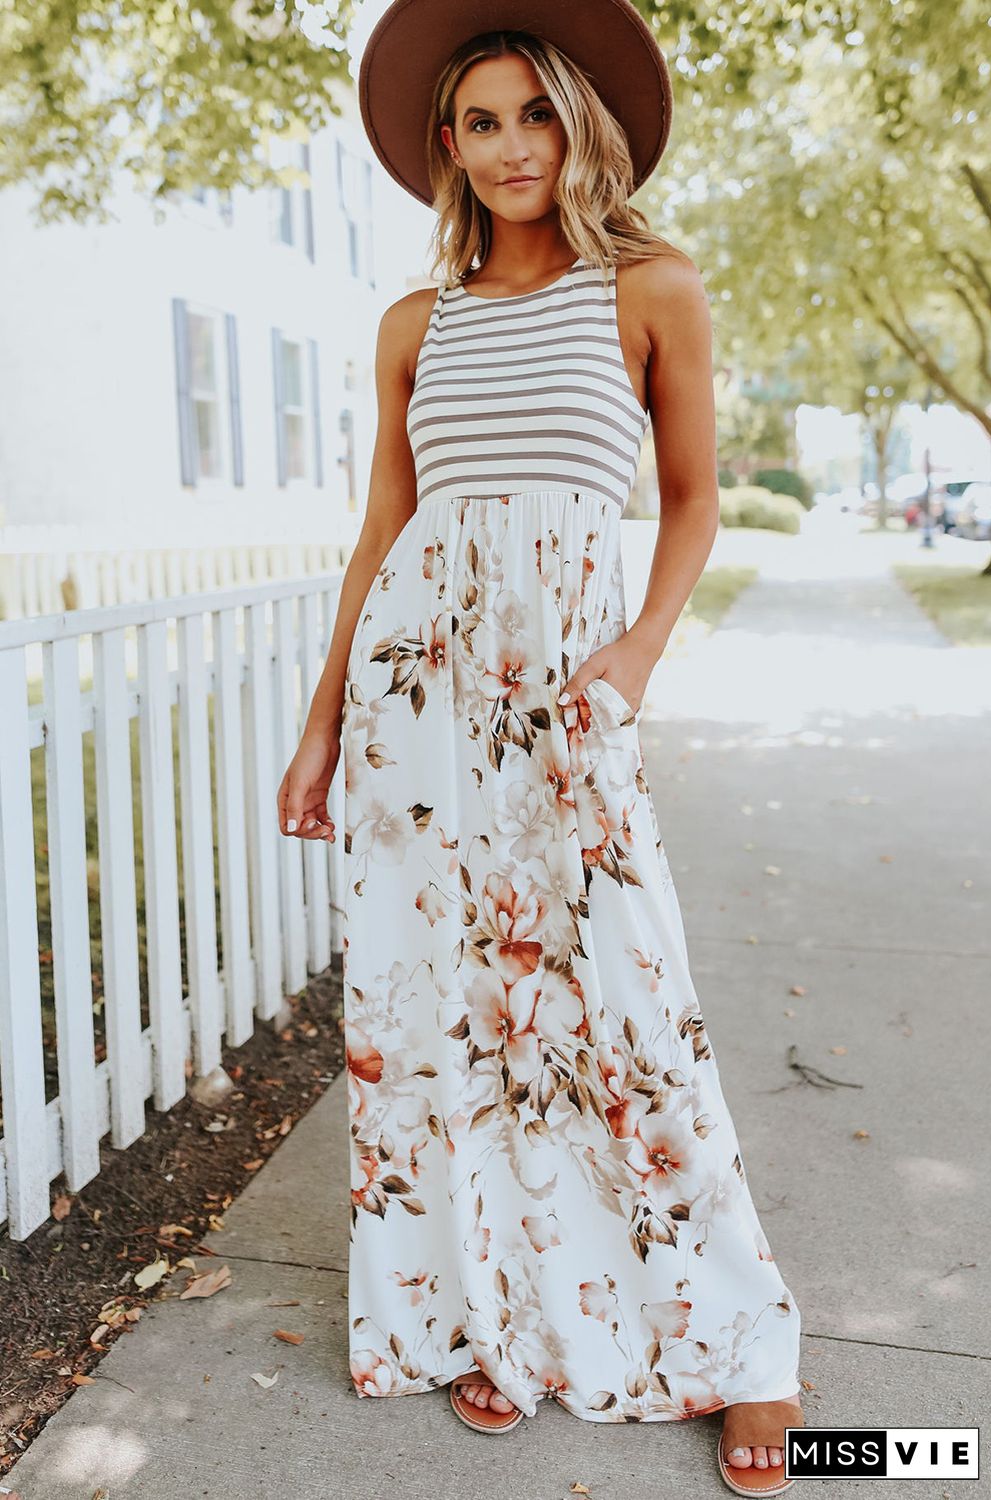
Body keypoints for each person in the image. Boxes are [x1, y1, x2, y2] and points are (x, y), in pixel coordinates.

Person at [277, 1, 806, 1491]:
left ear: (579, 124)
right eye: (483, 121)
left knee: (631, 1005)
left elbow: (692, 498)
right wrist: (323, 728)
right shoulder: (413, 322)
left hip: (569, 703)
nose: (513, 146)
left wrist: (633, 658)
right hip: (415, 717)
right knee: (443, 1023)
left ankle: (740, 1345)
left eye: (536, 114)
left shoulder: (650, 285)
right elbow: (383, 533)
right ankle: (487, 1318)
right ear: (448, 146)